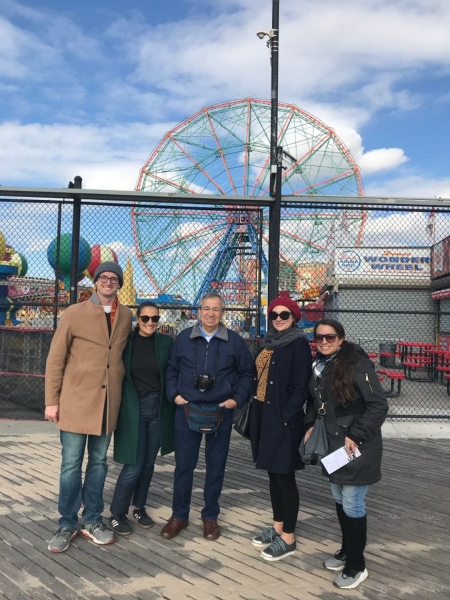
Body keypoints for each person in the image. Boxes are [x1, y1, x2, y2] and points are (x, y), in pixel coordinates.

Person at [45, 261, 132, 553]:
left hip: (107, 403)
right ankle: (67, 522)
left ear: (119, 283)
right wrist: (51, 401)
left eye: (113, 278)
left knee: (98, 464)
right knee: (70, 465)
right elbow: (56, 357)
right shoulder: (74, 313)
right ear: (95, 282)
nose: (108, 282)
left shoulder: (126, 316)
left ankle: (93, 519)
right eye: (103, 278)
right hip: (75, 400)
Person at [161, 292, 253, 541]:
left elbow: (247, 373)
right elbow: (171, 370)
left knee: (215, 467)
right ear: (199, 311)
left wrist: (236, 400)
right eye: (206, 308)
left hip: (220, 412)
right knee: (184, 467)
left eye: (216, 309)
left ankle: (210, 516)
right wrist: (174, 395)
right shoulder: (183, 339)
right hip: (187, 410)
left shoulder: (235, 342)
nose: (211, 313)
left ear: (222, 313)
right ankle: (179, 515)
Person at [303, 318, 388, 590]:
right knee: (340, 498)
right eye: (319, 338)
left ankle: (356, 565)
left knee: (352, 503)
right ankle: (347, 550)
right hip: (333, 444)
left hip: (356, 445)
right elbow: (314, 403)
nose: (324, 342)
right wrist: (308, 426)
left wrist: (356, 434)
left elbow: (377, 405)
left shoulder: (357, 364)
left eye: (330, 337)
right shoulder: (319, 366)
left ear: (341, 338)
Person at [249, 296, 312, 562]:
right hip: (264, 415)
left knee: (285, 476)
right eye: (274, 314)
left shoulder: (298, 344)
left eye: (284, 315)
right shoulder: (270, 341)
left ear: (294, 317)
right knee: (273, 475)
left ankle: (289, 537)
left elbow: (301, 386)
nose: (278, 318)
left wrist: (288, 417)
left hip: (283, 419)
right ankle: (277, 526)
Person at [109, 302, 175, 535]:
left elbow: (175, 371)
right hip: (134, 408)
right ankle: (117, 512)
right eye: (145, 318)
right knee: (133, 465)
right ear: (137, 319)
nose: (150, 323)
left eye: (154, 319)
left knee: (148, 464)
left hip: (159, 408)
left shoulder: (166, 343)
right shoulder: (125, 343)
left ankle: (139, 507)